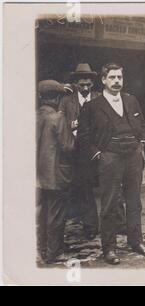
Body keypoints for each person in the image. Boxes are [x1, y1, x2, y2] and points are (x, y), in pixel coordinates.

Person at [78, 63, 145, 265]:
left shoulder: (131, 100)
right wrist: (98, 155)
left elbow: (143, 125)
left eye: (119, 77)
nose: (116, 81)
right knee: (110, 203)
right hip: (110, 157)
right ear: (103, 80)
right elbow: (84, 138)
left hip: (133, 156)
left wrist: (142, 143)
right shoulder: (92, 106)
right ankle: (109, 248)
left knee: (134, 201)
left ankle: (136, 242)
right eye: (112, 77)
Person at [59, 63, 101, 240]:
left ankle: (118, 225)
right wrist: (70, 125)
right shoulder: (66, 101)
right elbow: (59, 125)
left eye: (88, 82)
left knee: (111, 187)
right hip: (75, 152)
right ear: (75, 83)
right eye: (81, 82)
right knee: (84, 189)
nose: (85, 86)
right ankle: (90, 225)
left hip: (97, 150)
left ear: (93, 82)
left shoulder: (100, 98)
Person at [36, 80, 75, 264]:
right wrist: (73, 130)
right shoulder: (58, 118)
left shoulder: (35, 115)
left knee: (43, 214)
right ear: (58, 98)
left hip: (38, 175)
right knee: (56, 215)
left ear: (40, 96)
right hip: (56, 174)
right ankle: (55, 252)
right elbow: (68, 146)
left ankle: (43, 249)